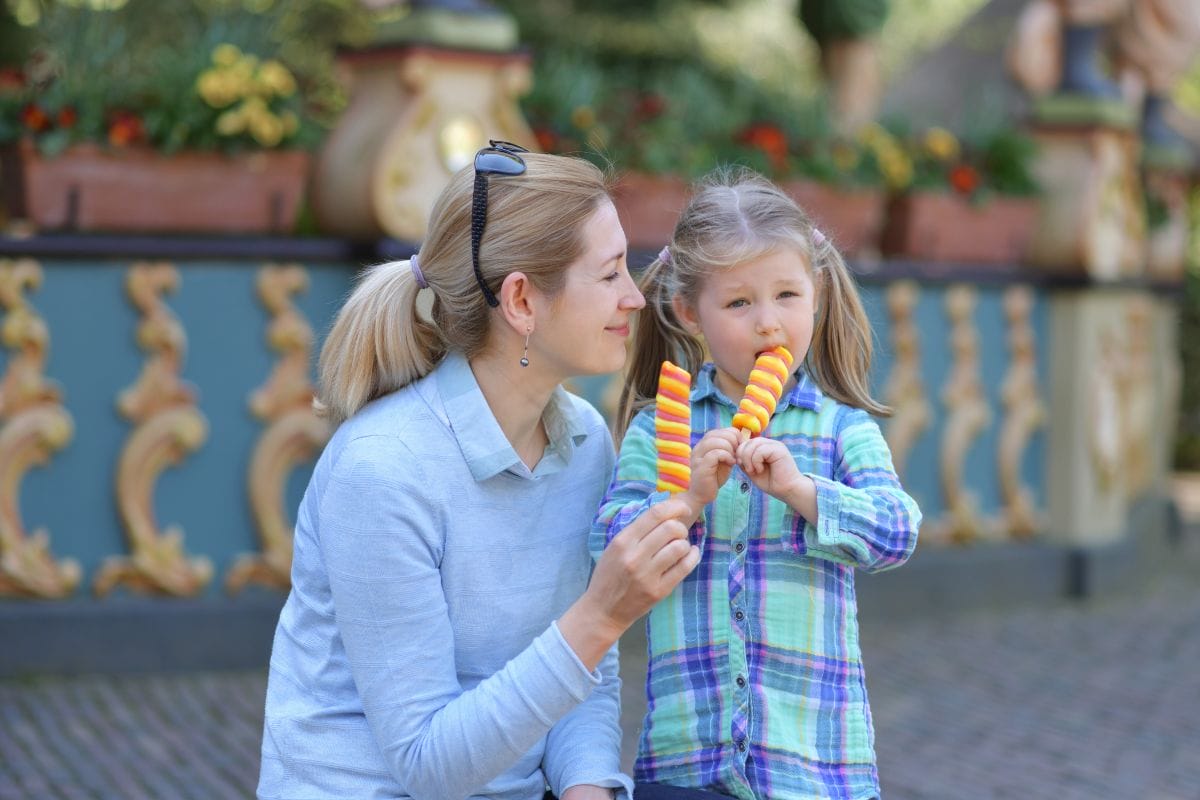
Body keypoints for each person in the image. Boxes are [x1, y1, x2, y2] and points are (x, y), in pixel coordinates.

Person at [257, 141, 702, 800]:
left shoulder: (584, 442)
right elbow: (427, 765)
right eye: (610, 275)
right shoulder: (383, 470)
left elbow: (583, 681)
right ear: (521, 301)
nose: (635, 299)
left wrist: (590, 789)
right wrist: (601, 615)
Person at [592, 170, 922, 800]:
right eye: (739, 303)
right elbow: (605, 546)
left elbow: (898, 531)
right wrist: (685, 501)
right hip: (688, 766)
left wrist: (802, 491)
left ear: (816, 295)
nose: (769, 323)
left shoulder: (841, 428)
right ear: (690, 313)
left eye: (787, 295)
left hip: (815, 770)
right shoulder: (659, 429)